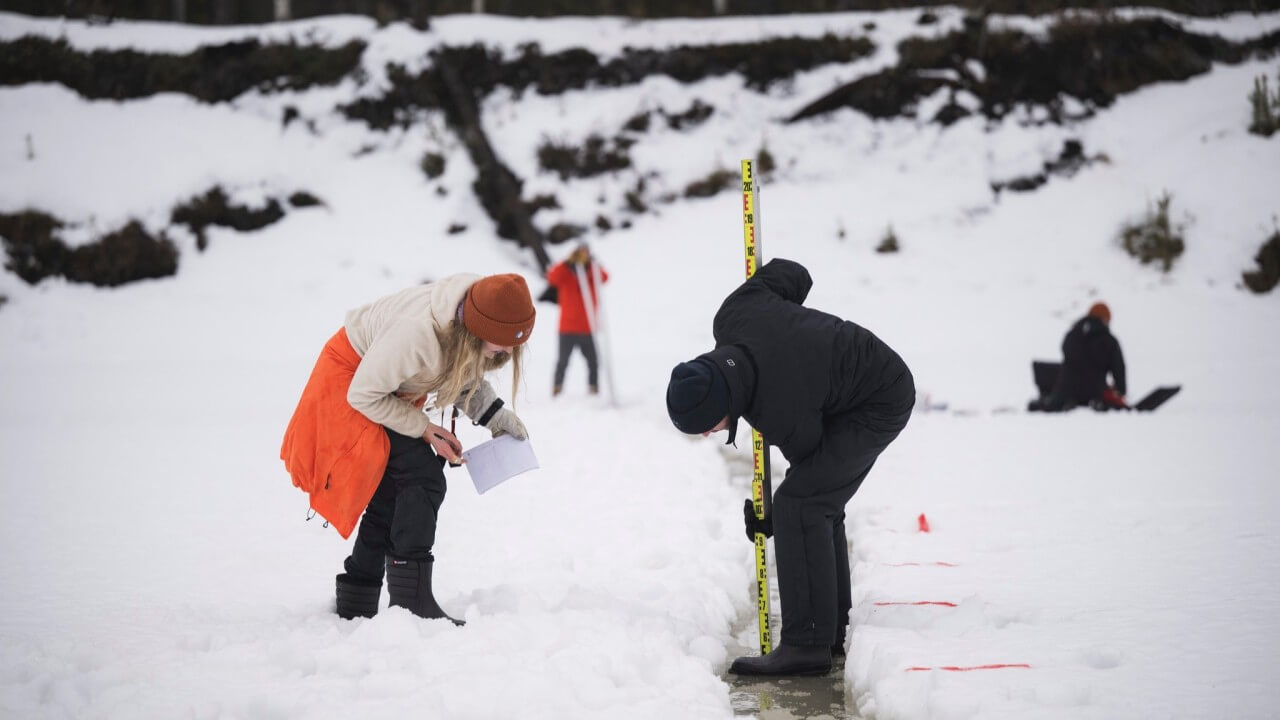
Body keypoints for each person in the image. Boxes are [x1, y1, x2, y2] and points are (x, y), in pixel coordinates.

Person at [665, 258, 914, 676]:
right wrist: (789, 329)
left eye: (708, 426)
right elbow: (793, 273)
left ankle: (807, 645)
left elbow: (807, 473)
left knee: (803, 505)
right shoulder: (734, 315)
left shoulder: (778, 407)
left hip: (880, 398)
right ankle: (831, 629)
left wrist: (774, 519)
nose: (708, 434)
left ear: (723, 405)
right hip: (850, 378)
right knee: (812, 502)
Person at [280, 273, 535, 623]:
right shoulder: (418, 333)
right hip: (354, 385)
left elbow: (459, 372)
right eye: (502, 344)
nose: (507, 352)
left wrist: (495, 416)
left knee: (394, 491)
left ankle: (357, 598)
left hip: (387, 390)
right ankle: (412, 605)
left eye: (514, 345)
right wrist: (425, 428)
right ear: (477, 328)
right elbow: (364, 394)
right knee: (422, 479)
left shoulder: (473, 315)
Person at [1031, 302, 1126, 412]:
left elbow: (1065, 351)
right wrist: (1121, 391)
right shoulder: (1109, 341)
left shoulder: (1072, 335)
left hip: (1065, 392)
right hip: (1095, 393)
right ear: (1104, 319)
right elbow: (1119, 369)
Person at [545, 243, 608, 397]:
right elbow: (552, 277)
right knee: (563, 361)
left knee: (593, 361)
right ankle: (557, 389)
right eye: (581, 252)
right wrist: (567, 263)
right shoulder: (566, 271)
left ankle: (594, 388)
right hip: (567, 327)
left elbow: (605, 278)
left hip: (588, 327)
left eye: (586, 252)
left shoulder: (592, 271)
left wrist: (594, 265)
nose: (583, 255)